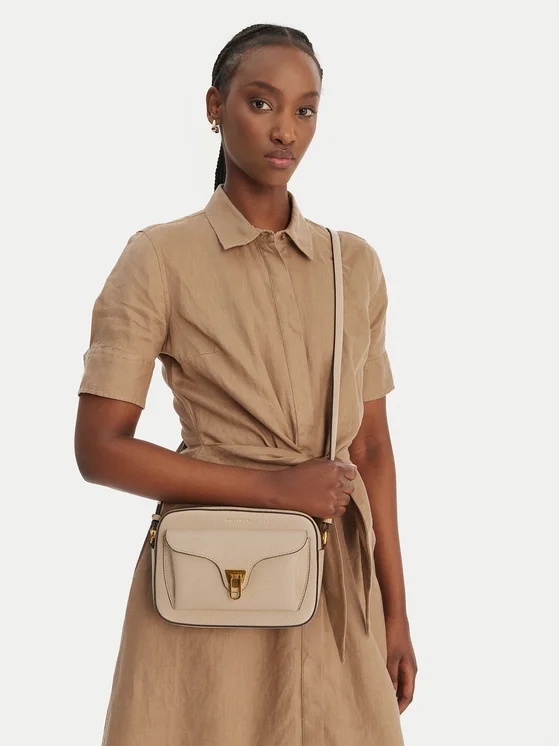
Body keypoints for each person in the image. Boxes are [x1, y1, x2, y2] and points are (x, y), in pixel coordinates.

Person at [74, 23, 417, 746]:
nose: (285, 129)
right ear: (215, 107)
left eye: (305, 109)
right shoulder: (159, 257)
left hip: (336, 583)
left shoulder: (353, 265)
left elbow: (372, 449)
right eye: (261, 103)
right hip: (211, 580)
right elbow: (99, 450)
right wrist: (275, 488)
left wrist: (396, 612)